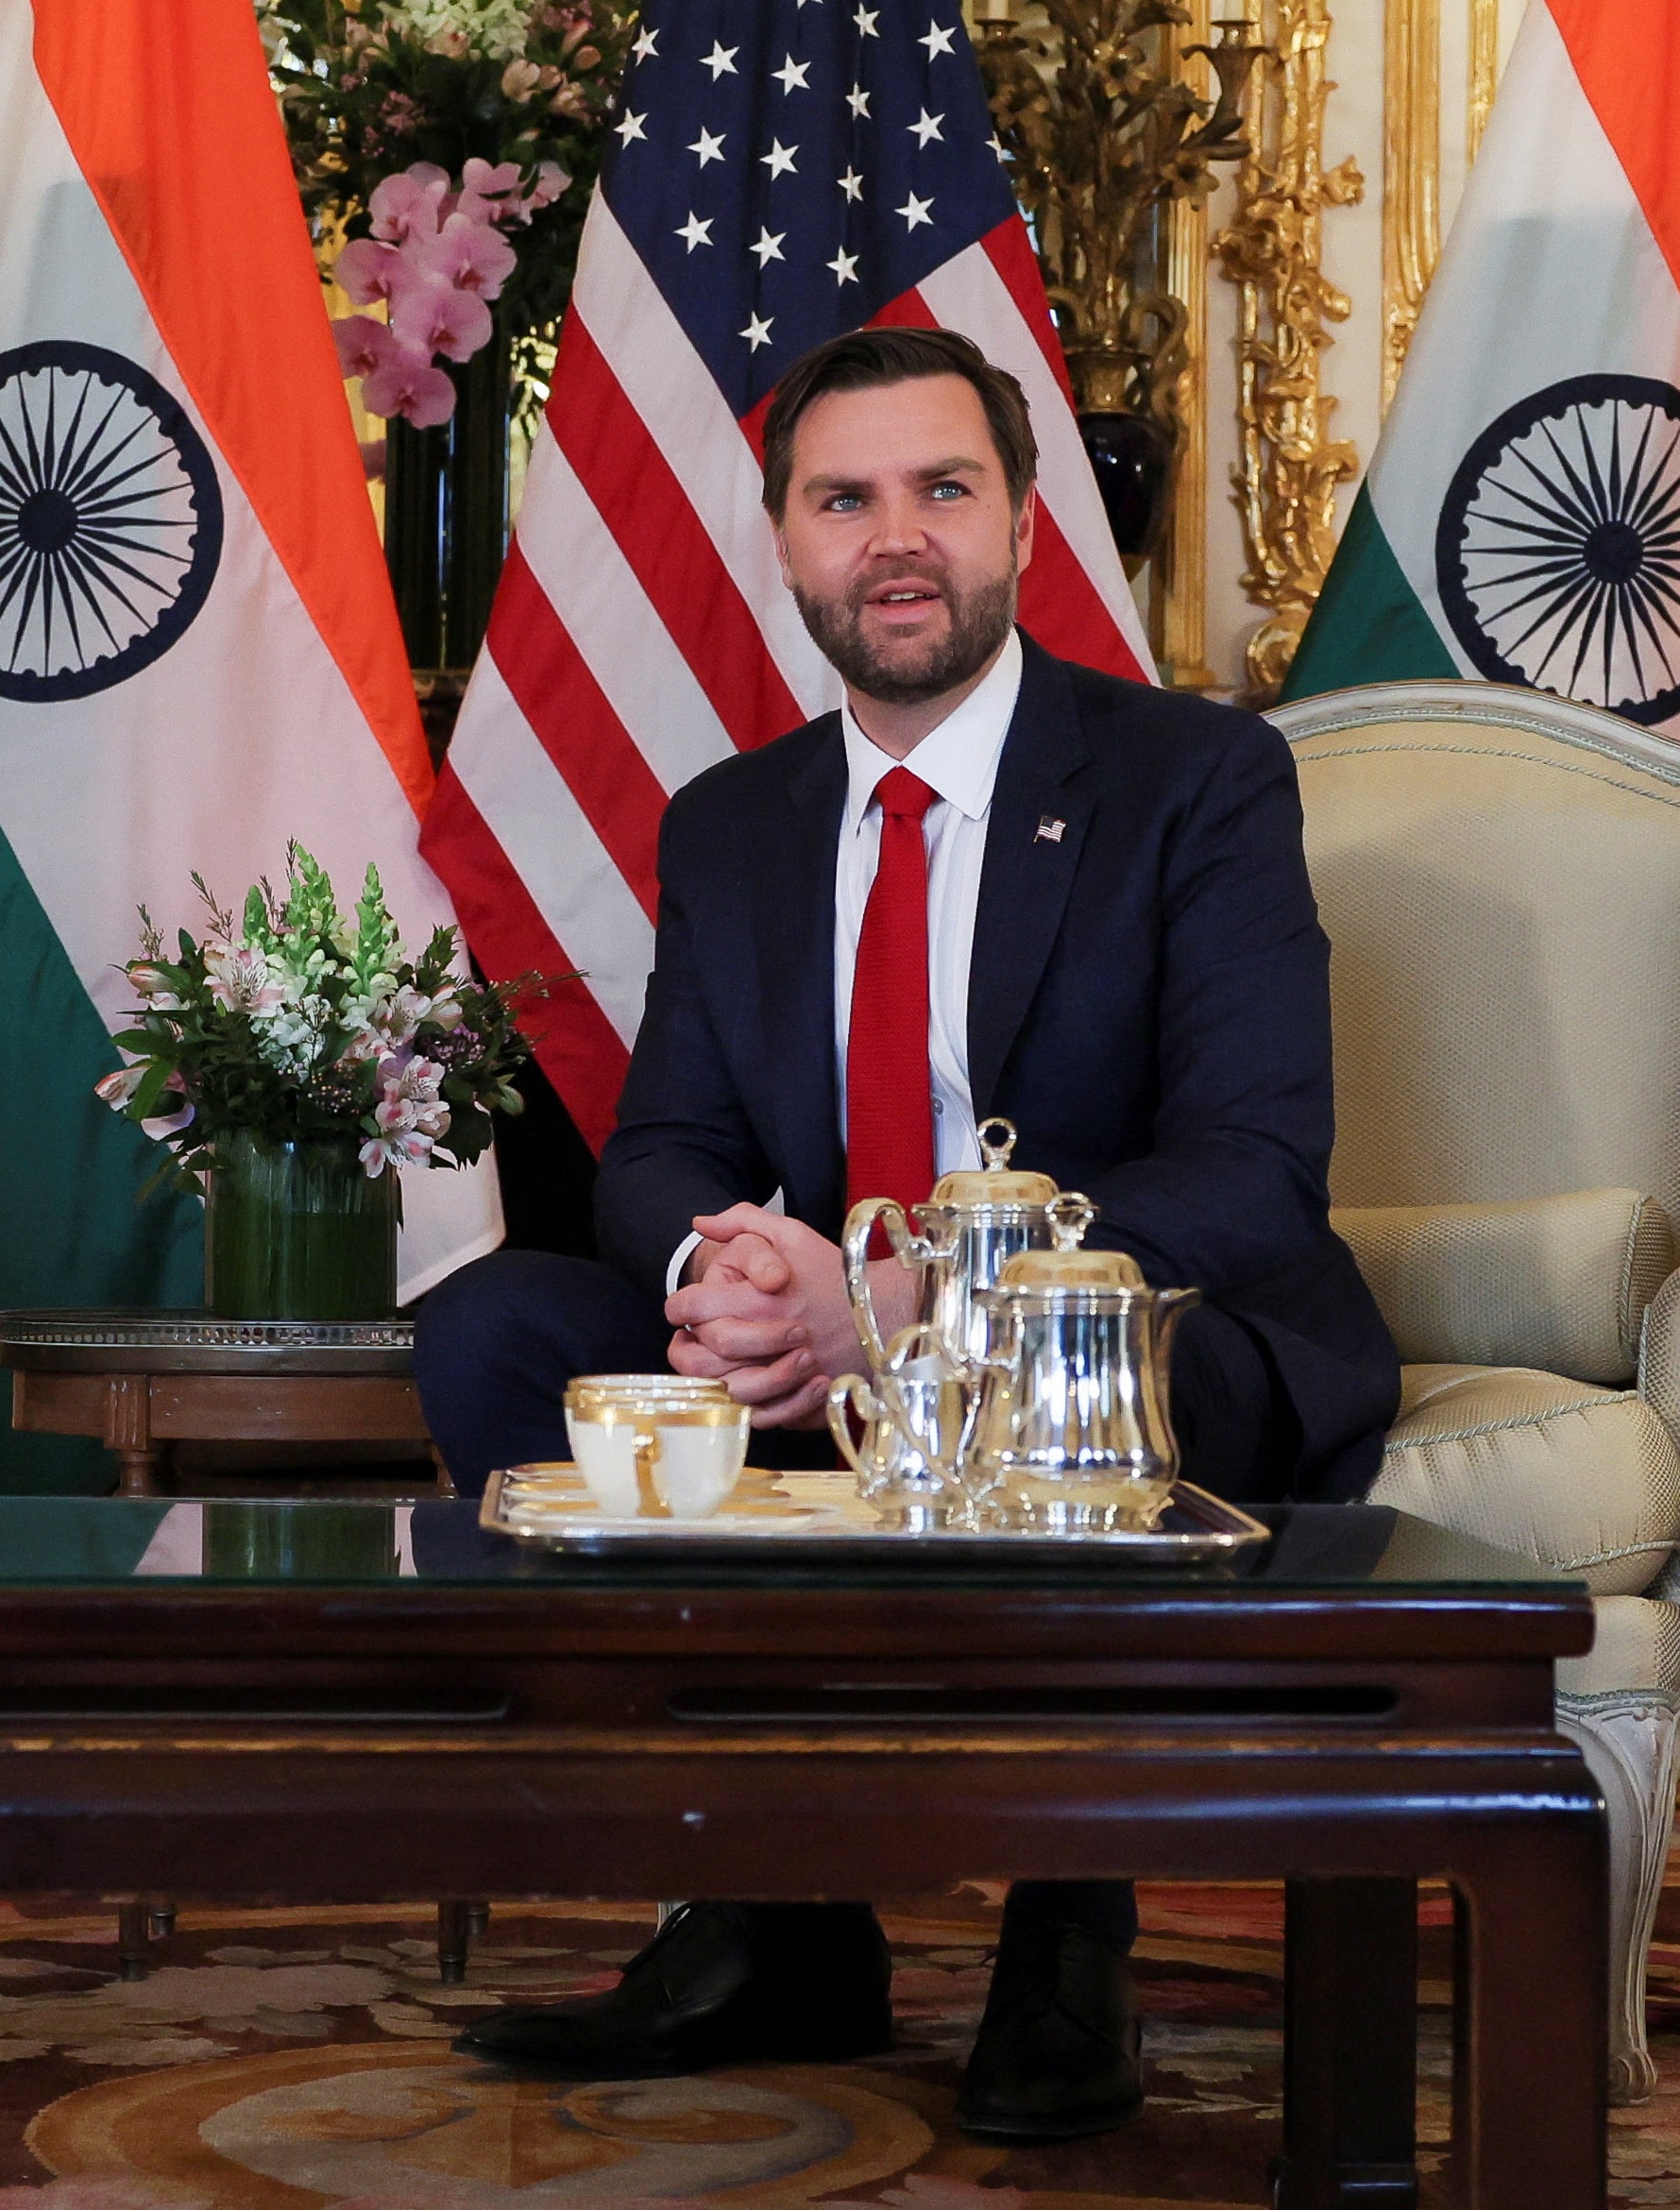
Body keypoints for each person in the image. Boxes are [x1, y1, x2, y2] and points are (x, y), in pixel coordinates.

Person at [414, 327, 1398, 2138]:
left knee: (1087, 1373)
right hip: (830, 1355)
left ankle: (1068, 1929)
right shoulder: (734, 824)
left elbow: (1253, 1167)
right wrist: (732, 1284)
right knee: (498, 1328)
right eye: (841, 499)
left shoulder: (1192, 777)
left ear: (1019, 520)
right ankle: (770, 1912)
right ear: (784, 541)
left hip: (1131, 1353)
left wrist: (907, 1295)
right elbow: (663, 1146)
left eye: (941, 489)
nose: (893, 540)